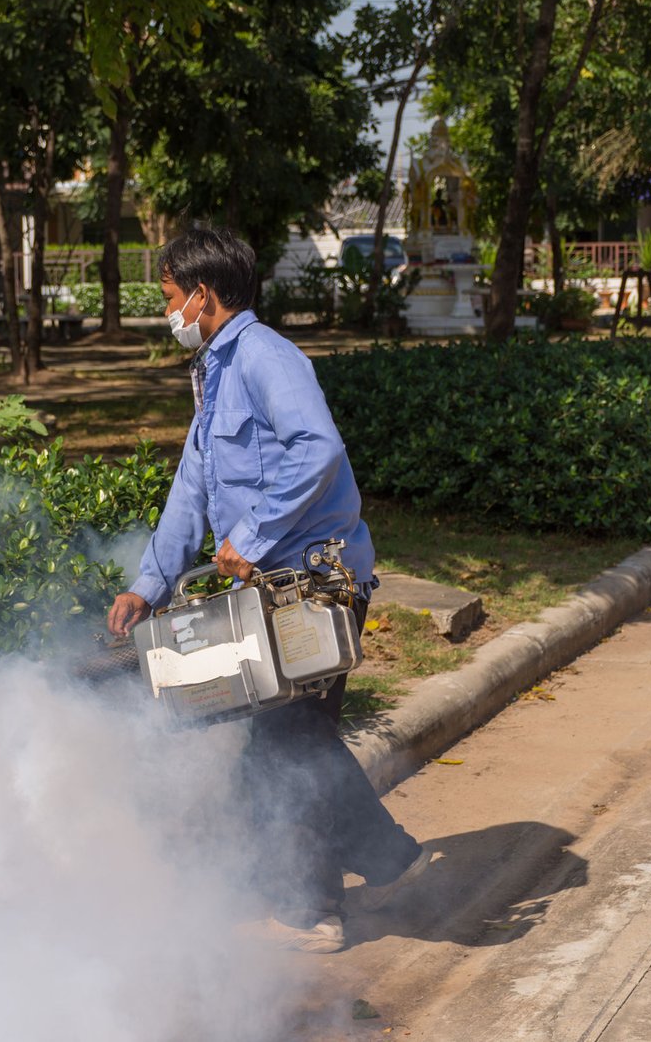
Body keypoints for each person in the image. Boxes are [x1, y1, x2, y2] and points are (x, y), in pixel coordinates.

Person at [106, 227, 430, 954]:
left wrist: (247, 538)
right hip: (274, 590)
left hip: (316, 581)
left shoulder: (264, 356)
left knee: (288, 743)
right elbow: (191, 488)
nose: (169, 314)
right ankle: (382, 865)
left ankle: (323, 905)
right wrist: (147, 585)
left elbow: (318, 447)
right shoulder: (215, 373)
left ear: (203, 294)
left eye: (169, 299)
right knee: (291, 740)